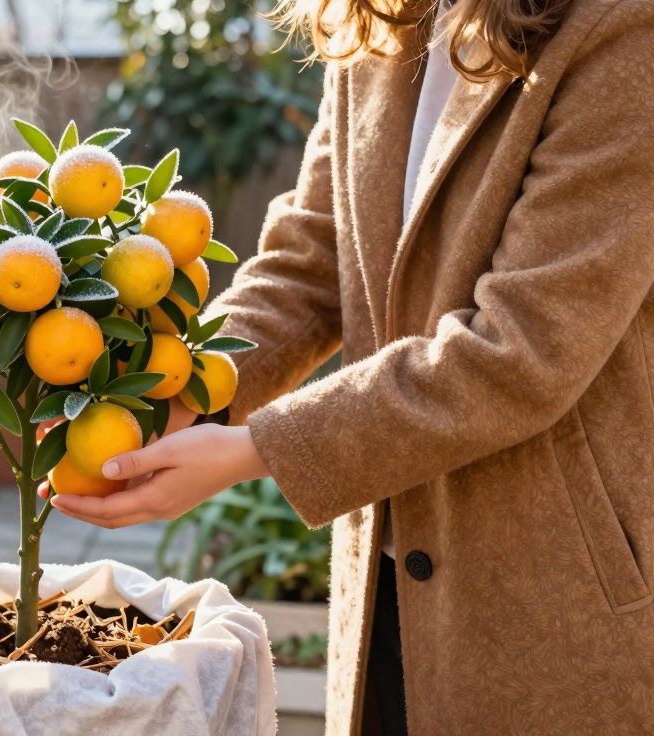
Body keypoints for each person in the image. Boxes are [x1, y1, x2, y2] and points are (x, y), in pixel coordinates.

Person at [45, 0, 654, 733]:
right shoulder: (384, 20)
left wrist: (258, 449)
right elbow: (310, 263)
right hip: (384, 585)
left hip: (549, 596)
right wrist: (178, 395)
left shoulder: (623, 31)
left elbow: (521, 350)